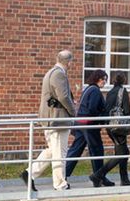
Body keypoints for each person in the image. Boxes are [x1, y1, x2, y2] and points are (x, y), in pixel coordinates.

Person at [26, 50, 75, 191]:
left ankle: (30, 173)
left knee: (52, 151)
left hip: (49, 118)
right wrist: (73, 111)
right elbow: (63, 97)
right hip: (57, 119)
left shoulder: (50, 72)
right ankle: (60, 184)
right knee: (60, 152)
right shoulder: (59, 74)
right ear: (69, 62)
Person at [64, 69, 111, 186]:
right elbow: (93, 108)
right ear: (98, 79)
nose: (104, 82)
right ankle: (99, 177)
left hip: (80, 123)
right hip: (89, 125)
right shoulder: (95, 90)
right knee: (97, 150)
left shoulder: (88, 89)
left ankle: (62, 175)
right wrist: (103, 116)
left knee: (75, 150)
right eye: (103, 80)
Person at [94, 72, 130, 187]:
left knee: (122, 152)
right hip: (119, 127)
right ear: (124, 80)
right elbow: (126, 110)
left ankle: (124, 179)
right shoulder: (122, 91)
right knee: (123, 153)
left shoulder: (110, 92)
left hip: (110, 126)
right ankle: (98, 175)